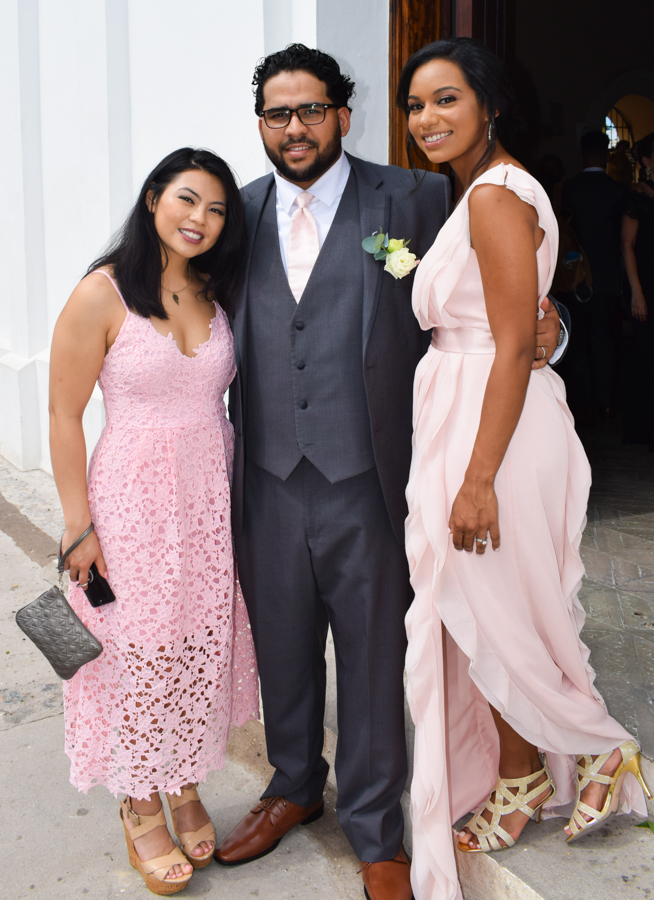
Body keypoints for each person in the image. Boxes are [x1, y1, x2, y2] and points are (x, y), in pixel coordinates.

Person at [212, 44, 563, 900]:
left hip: (372, 475)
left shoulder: (415, 198)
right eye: (277, 114)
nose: (295, 128)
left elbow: (489, 300)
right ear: (260, 124)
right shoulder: (234, 213)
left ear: (343, 113)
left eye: (311, 109)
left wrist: (552, 331)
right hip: (266, 477)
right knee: (283, 647)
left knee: (375, 656)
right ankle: (294, 785)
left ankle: (376, 827)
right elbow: (164, 298)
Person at [398, 38, 651, 900]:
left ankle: (600, 749)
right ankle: (521, 773)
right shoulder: (482, 191)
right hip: (473, 415)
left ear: (491, 104)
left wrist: (477, 480)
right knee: (487, 611)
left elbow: (512, 347)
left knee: (495, 607)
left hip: (491, 432)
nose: (427, 118)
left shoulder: (496, 196)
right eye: (416, 104)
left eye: (447, 99)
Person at [49, 148, 259, 895]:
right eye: (187, 199)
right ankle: (139, 801)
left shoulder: (215, 289)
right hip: (131, 501)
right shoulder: (102, 292)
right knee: (138, 648)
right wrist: (78, 525)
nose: (200, 218)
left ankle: (182, 780)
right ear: (152, 200)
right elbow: (64, 414)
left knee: (195, 641)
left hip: (208, 498)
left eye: (217, 209)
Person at [561, 130, 628, 417]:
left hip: (575, 275)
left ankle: (582, 406)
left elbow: (563, 235)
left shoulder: (568, 189)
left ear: (581, 154)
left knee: (576, 343)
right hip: (608, 277)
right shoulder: (619, 191)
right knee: (604, 339)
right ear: (607, 156)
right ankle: (606, 402)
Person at [621, 132, 654, 447]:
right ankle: (643, 427)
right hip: (647, 285)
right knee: (646, 357)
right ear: (646, 161)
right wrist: (637, 292)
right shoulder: (637, 195)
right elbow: (627, 245)